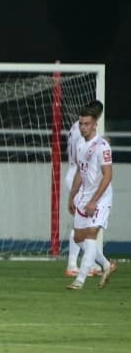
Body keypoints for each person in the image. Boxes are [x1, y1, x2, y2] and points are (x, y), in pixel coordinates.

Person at [67, 105, 116, 291]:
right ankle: (106, 264)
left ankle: (79, 281)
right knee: (78, 237)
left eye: (86, 124)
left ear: (95, 125)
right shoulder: (80, 144)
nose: (82, 127)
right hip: (85, 196)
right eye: (81, 124)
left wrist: (95, 200)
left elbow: (108, 176)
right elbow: (81, 171)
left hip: (101, 198)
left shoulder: (102, 146)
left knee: (90, 236)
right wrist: (72, 195)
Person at [63, 100, 106, 278]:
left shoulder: (76, 126)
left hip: (74, 172)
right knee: (81, 223)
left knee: (85, 223)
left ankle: (92, 263)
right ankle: (73, 264)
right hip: (79, 176)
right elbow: (87, 155)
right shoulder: (84, 129)